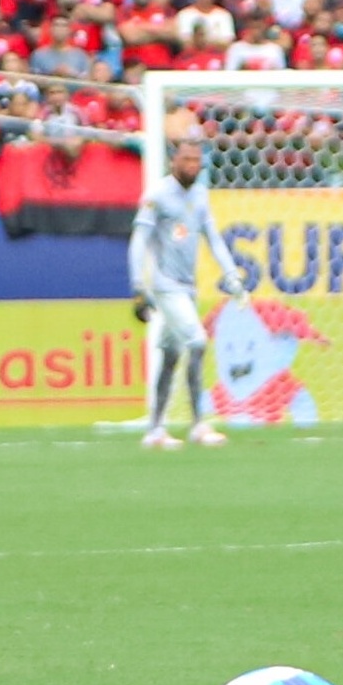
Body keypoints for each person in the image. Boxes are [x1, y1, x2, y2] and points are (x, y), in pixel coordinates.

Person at [129, 118, 246, 449]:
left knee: (169, 355)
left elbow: (213, 238)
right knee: (195, 342)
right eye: (187, 160)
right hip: (165, 285)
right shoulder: (158, 196)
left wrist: (231, 274)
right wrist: (139, 286)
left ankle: (154, 430)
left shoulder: (199, 194)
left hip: (188, 286)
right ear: (173, 161)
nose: (193, 166)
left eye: (197, 160)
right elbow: (139, 241)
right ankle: (198, 423)